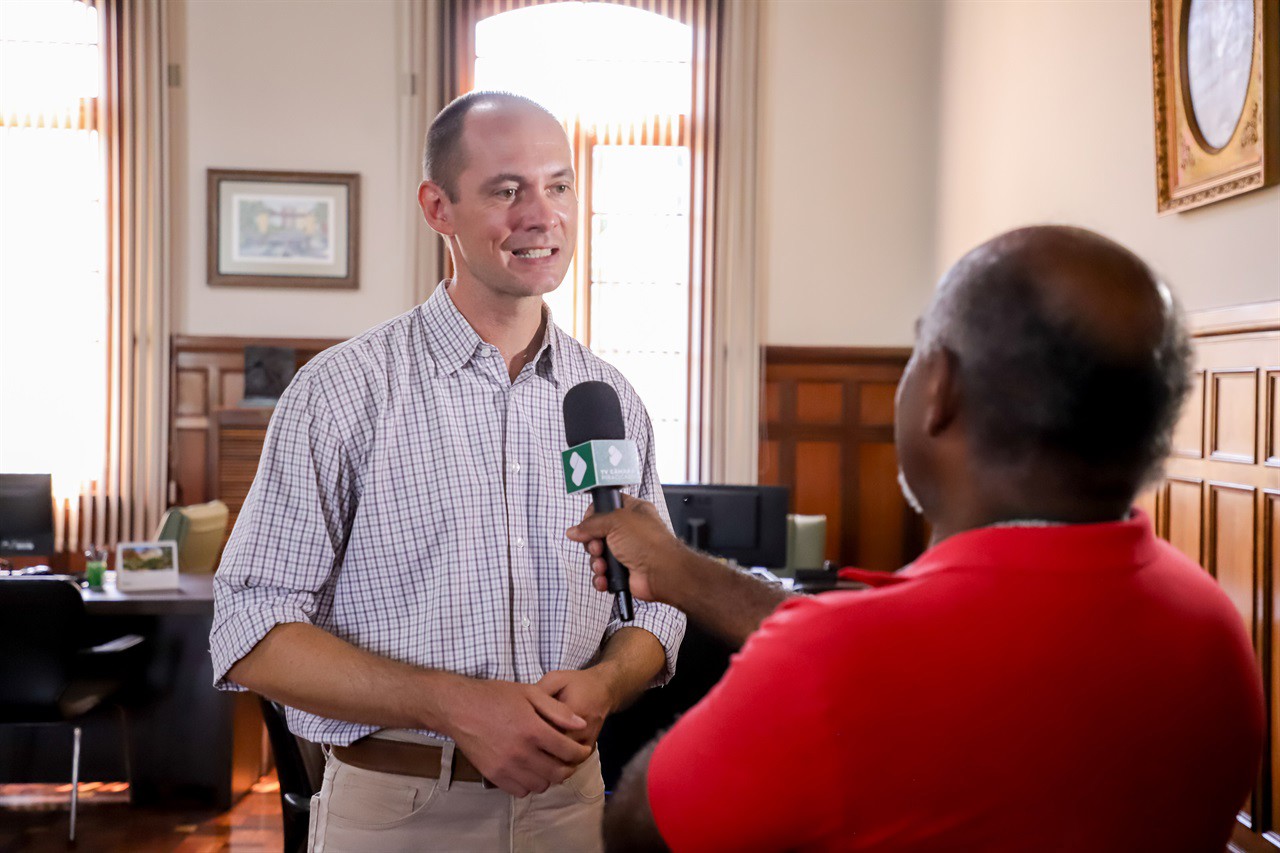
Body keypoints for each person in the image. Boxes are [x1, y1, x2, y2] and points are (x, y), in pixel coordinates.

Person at [567, 226, 1264, 852]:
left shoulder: (837, 668)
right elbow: (905, 653)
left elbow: (641, 827)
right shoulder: (1216, 631)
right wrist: (679, 570)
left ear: (942, 389)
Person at [210, 91, 685, 852]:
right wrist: (455, 706)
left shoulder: (611, 399)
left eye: (559, 185)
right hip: (400, 813)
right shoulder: (341, 392)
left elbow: (656, 608)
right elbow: (249, 626)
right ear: (439, 207)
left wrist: (604, 684)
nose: (543, 215)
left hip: (574, 806)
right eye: (507, 190)